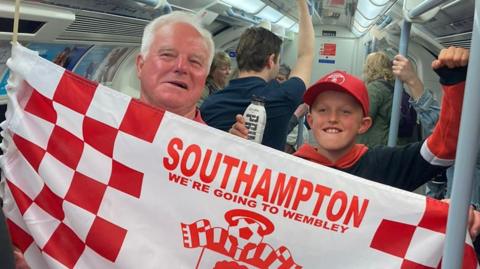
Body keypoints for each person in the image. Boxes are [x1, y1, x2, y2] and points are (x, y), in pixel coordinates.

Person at [200, 0, 314, 151]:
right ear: (271, 60)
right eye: (278, 61)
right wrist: (302, 5)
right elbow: (306, 55)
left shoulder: (209, 104)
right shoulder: (283, 97)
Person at [392, 54, 480, 210]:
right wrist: (412, 80)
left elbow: (444, 128)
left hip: (465, 215)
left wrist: (412, 80)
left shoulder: (467, 140)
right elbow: (445, 127)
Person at [136, 11, 214, 122]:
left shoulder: (210, 140)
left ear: (205, 77)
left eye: (195, 61)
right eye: (167, 55)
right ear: (140, 65)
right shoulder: (105, 122)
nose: (181, 67)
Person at [356, 51, 418, 147]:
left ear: (370, 67)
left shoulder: (375, 88)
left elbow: (364, 116)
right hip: (397, 141)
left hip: (378, 144)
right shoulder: (395, 85)